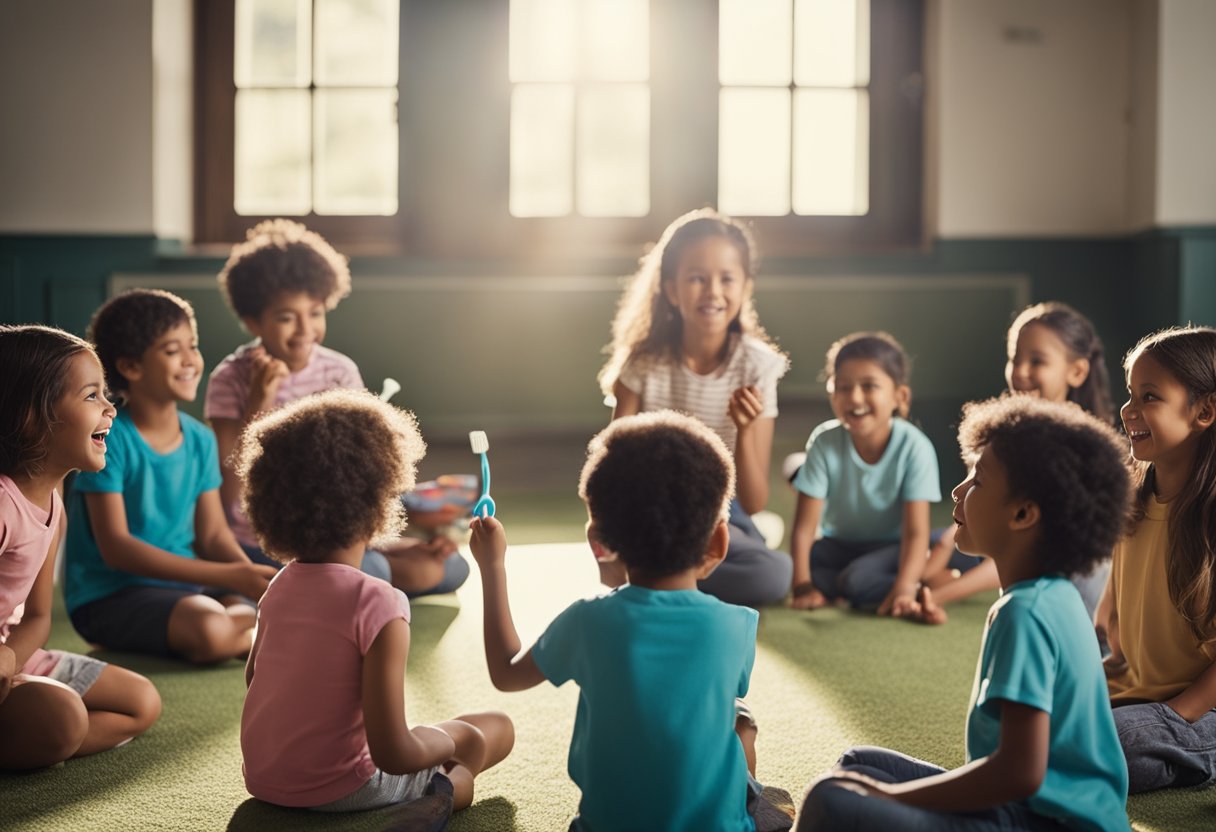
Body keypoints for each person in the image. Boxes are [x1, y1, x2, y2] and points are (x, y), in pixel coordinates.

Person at [798, 395, 1131, 832]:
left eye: (977, 480)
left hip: (1046, 822)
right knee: (857, 765)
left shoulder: (1026, 613)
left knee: (833, 799)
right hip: (1028, 808)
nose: (958, 490)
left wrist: (893, 797)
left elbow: (1018, 773)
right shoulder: (1054, 593)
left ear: (1023, 513)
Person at [470, 411, 794, 831]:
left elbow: (505, 673)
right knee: (740, 720)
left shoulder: (586, 621)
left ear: (597, 542)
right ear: (719, 541)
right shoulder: (736, 625)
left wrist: (493, 566)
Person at [237, 388, 513, 813]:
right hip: (346, 788)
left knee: (454, 732)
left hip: (265, 779)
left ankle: (442, 777)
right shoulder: (380, 603)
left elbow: (255, 679)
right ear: (381, 498)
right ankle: (448, 792)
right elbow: (394, 754)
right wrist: (452, 738)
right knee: (492, 731)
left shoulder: (279, 585)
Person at [206, 218, 468, 597]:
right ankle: (336, 586)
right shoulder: (230, 380)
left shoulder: (339, 370)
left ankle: (337, 585)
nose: (304, 330)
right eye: (285, 317)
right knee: (373, 572)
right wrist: (259, 400)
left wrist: (411, 531)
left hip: (342, 531)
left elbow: (366, 471)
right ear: (252, 321)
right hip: (270, 539)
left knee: (450, 566)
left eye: (314, 313)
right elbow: (226, 491)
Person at [64, 290, 278, 664]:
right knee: (211, 629)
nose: (190, 360)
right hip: (110, 597)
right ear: (131, 367)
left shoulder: (199, 439)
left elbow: (212, 535)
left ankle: (242, 626)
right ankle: (246, 632)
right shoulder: (108, 439)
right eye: (171, 350)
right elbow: (117, 548)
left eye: (192, 346)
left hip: (187, 588)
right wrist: (231, 578)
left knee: (266, 602)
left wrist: (247, 574)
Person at [597, 208, 791, 607]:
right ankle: (676, 571)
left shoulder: (757, 367)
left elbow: (753, 501)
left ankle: (659, 577)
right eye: (696, 278)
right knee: (621, 550)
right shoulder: (644, 364)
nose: (712, 291)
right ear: (671, 290)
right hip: (650, 504)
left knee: (774, 576)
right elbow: (609, 464)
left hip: (719, 508)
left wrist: (746, 428)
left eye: (726, 278)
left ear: (745, 288)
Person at [0, 325, 160, 769]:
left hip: (13, 657)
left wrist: (12, 660)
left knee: (141, 701)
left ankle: (45, 740)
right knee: (63, 716)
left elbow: (36, 618)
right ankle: (46, 736)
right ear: (33, 417)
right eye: (92, 396)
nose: (111, 406)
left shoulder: (55, 504)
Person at [901, 301, 1116, 624]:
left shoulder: (1083, 458)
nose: (1020, 372)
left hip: (1040, 568)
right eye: (1015, 358)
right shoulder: (998, 436)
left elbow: (1022, 550)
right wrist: (938, 553)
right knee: (908, 553)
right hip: (985, 539)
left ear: (1077, 371)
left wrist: (936, 595)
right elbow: (974, 520)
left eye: (1037, 361)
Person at [1101, 325, 1216, 793]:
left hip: (1201, 708)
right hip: (1140, 695)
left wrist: (1177, 715)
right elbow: (1114, 625)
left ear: (1205, 411)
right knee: (1027, 712)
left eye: (1150, 396)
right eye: (1130, 394)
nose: (1129, 410)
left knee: (1119, 742)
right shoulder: (1132, 502)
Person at [788, 332, 943, 614]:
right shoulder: (824, 441)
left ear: (900, 396)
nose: (855, 398)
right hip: (839, 545)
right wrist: (802, 585)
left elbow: (916, 531)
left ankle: (928, 579)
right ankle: (912, 576)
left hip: (894, 547)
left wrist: (905, 586)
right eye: (843, 387)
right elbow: (804, 529)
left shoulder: (914, 447)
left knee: (857, 580)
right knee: (805, 564)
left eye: (869, 386)